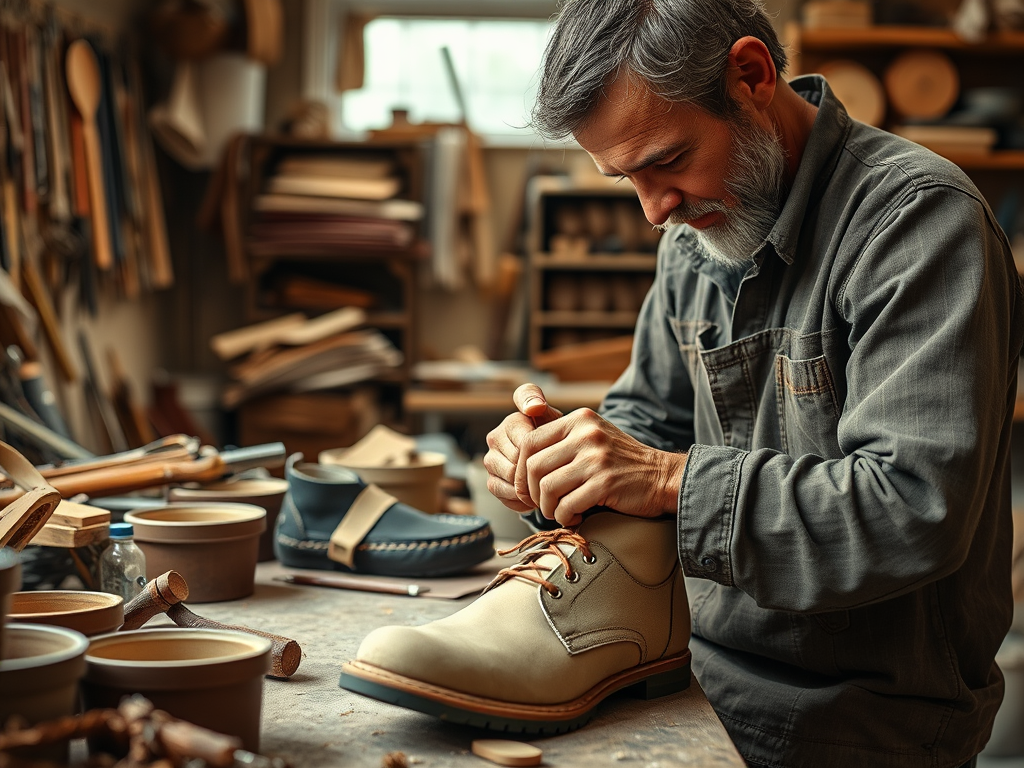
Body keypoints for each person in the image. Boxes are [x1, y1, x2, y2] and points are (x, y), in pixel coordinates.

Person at [482, 1, 1024, 766]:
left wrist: (668, 481)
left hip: (862, 718)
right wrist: (563, 455)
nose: (653, 210)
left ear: (751, 75)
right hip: (692, 666)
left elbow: (913, 507)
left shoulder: (918, 223)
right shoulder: (700, 224)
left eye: (666, 160)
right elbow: (650, 421)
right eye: (624, 177)